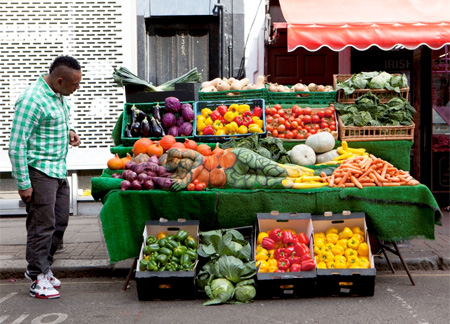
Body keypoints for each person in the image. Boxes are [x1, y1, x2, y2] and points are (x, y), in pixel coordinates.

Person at [8, 55, 82, 299]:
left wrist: (69, 132)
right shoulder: (32, 100)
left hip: (58, 169)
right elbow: (17, 146)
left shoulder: (58, 95)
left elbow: (53, 124)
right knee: (42, 226)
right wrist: (23, 184)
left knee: (59, 221)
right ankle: (37, 276)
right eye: (74, 84)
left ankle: (43, 267)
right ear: (60, 80)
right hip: (39, 171)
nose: (77, 88)